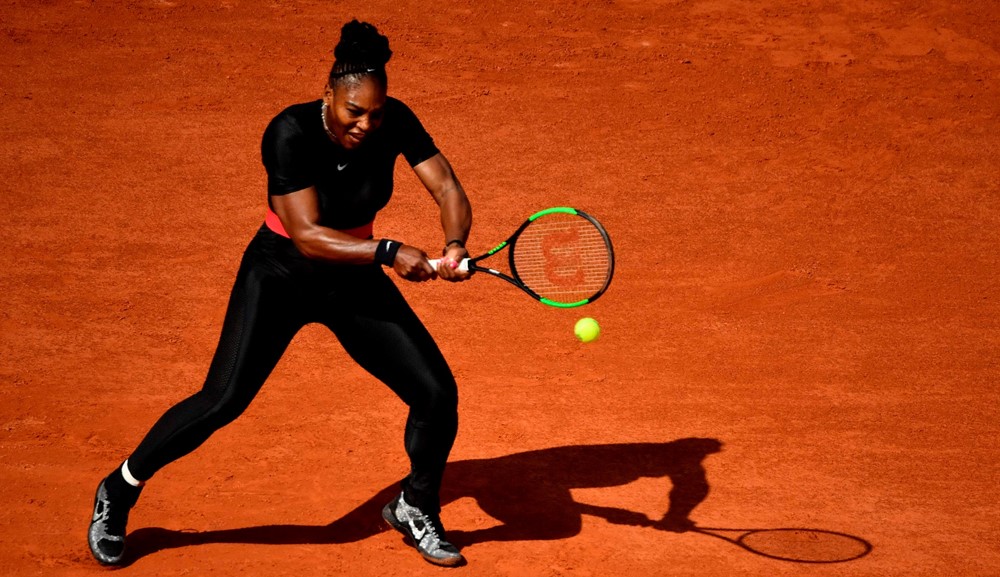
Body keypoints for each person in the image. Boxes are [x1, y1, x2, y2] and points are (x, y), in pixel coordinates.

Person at [88, 19, 472, 568]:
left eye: (376, 112)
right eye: (354, 111)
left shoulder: (397, 121)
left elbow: (447, 187)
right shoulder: (289, 132)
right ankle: (119, 489)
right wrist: (389, 252)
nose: (366, 124)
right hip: (281, 274)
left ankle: (416, 505)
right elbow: (308, 235)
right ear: (328, 97)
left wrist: (454, 244)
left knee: (436, 394)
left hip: (353, 280)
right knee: (222, 401)